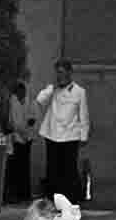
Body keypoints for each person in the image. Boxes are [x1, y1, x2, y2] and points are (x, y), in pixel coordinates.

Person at [36, 59, 89, 203]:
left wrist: (84, 136)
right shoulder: (52, 89)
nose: (59, 76)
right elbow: (40, 100)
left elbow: (83, 115)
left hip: (70, 135)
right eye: (57, 73)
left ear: (69, 73)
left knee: (69, 170)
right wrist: (52, 88)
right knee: (52, 169)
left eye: (62, 72)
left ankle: (70, 201)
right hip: (52, 134)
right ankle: (52, 200)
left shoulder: (79, 92)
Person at [3, 81, 35, 204]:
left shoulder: (28, 100)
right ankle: (15, 194)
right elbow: (14, 122)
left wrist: (28, 127)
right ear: (16, 92)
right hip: (16, 138)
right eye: (20, 92)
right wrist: (23, 130)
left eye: (24, 92)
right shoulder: (12, 101)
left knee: (25, 167)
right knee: (15, 168)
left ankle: (24, 194)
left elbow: (32, 116)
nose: (23, 94)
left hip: (27, 138)